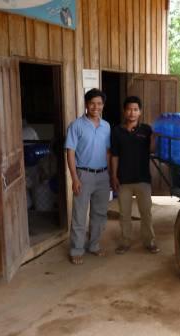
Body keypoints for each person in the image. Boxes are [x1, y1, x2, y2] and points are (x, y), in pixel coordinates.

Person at [65, 89, 111, 265]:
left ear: (103, 106)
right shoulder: (76, 125)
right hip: (83, 175)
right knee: (79, 213)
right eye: (92, 103)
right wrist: (74, 178)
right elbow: (70, 153)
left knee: (99, 213)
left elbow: (108, 151)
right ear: (86, 104)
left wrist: (110, 174)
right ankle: (76, 249)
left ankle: (94, 245)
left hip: (103, 175)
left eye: (99, 104)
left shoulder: (106, 126)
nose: (95, 107)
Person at [111, 96, 159, 254]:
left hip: (142, 179)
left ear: (140, 112)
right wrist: (113, 176)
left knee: (146, 213)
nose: (132, 113)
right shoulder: (117, 131)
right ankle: (125, 242)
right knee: (124, 214)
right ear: (125, 111)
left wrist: (154, 139)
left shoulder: (146, 130)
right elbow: (115, 155)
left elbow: (152, 150)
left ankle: (149, 241)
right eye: (129, 109)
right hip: (124, 180)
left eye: (135, 109)